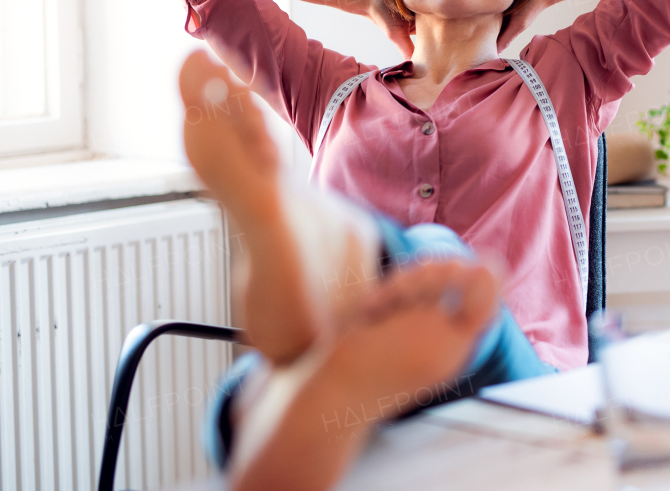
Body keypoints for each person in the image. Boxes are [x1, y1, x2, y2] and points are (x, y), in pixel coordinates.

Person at [159, 0, 670, 371]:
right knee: (241, 399)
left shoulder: (571, 76)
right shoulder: (326, 91)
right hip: (359, 387)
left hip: (514, 379)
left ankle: (291, 248)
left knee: (437, 262)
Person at [177, 48, 503, 491]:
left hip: (508, 380)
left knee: (449, 268)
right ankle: (330, 270)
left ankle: (338, 248)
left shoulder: (566, 73)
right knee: (262, 380)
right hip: (339, 330)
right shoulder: (333, 85)